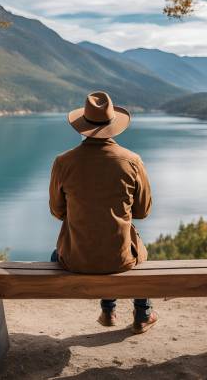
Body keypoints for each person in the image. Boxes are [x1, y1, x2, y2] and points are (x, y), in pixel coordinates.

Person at [49, 91, 158, 334]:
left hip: (74, 260)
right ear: (114, 125)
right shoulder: (132, 161)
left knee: (66, 250)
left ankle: (109, 311)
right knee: (135, 247)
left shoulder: (63, 162)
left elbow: (57, 211)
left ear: (82, 127)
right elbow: (143, 211)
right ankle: (143, 314)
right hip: (120, 260)